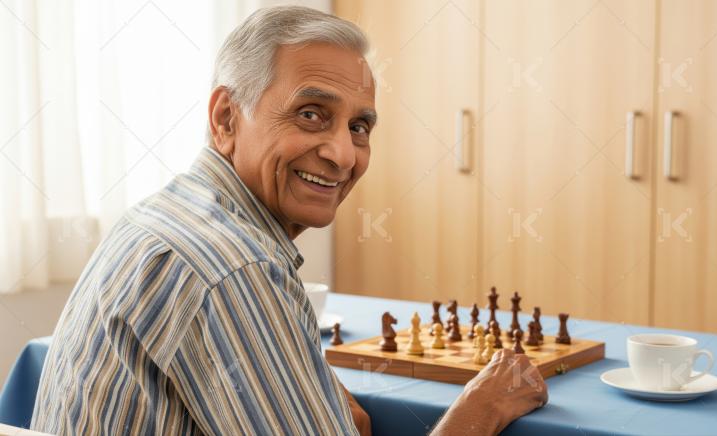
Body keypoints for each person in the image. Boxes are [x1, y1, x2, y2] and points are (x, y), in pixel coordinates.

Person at [31, 6, 547, 435]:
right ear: (226, 118)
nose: (343, 154)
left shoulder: (166, 215)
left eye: (359, 127)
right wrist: (479, 411)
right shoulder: (234, 268)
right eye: (311, 114)